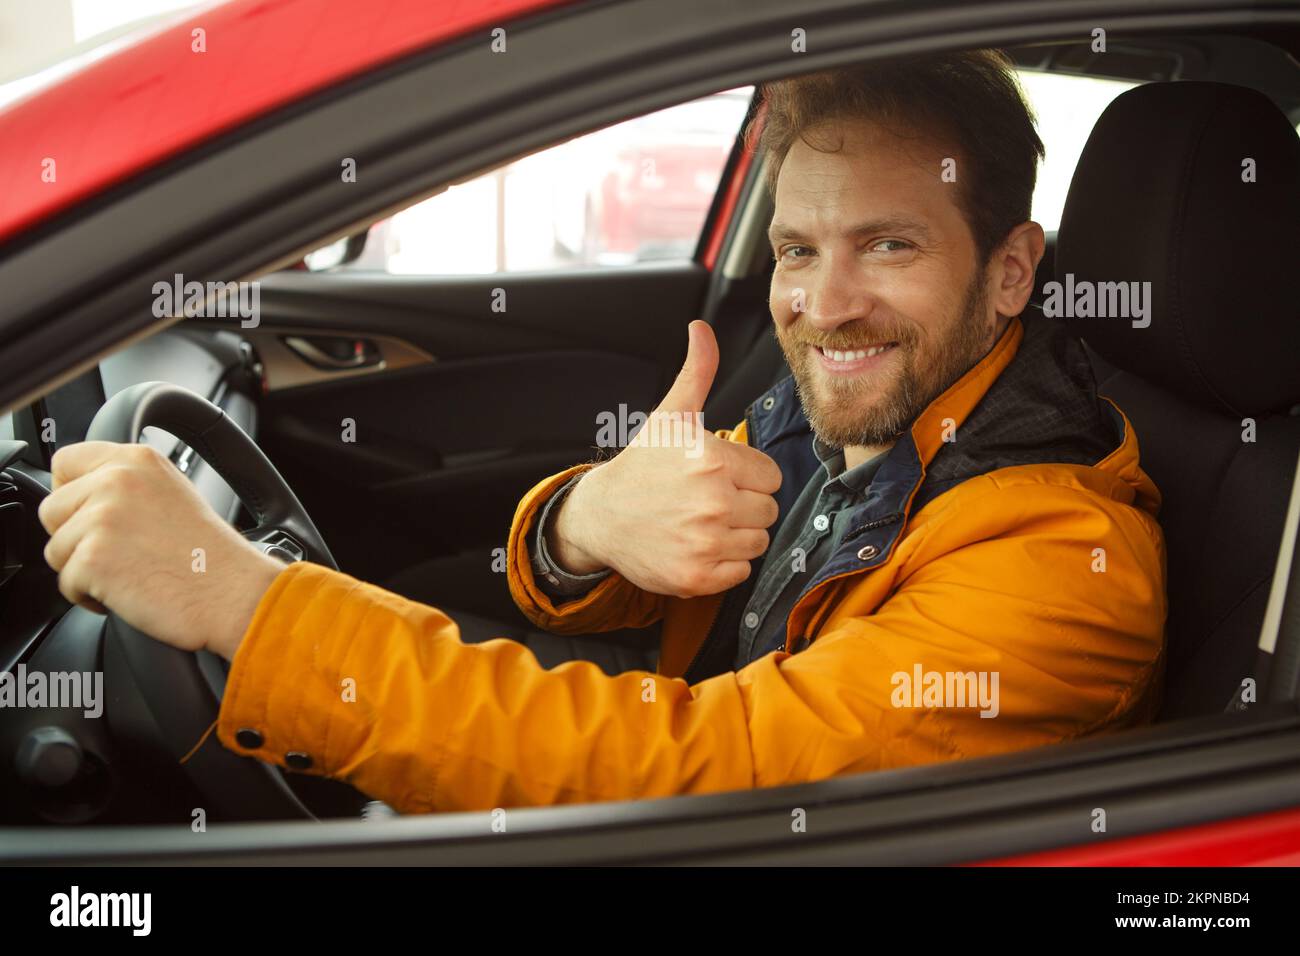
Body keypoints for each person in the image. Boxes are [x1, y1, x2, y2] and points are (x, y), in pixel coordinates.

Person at [38, 50, 1166, 814]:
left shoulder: (1062, 567)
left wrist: (241, 603)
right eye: (796, 249)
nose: (822, 307)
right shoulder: (855, 400)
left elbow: (709, 776)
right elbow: (657, 578)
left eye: (889, 247)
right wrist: (581, 527)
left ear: (1010, 271)